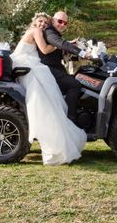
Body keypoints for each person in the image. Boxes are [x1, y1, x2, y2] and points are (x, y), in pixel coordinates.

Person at [10, 13, 87, 165]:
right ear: (34, 22)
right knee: (47, 89)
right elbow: (45, 50)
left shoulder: (37, 32)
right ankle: (68, 120)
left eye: (45, 23)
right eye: (40, 21)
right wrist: (62, 44)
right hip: (26, 63)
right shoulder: (37, 31)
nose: (42, 25)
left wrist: (65, 44)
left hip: (25, 61)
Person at [38, 11, 89, 123]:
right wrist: (83, 54)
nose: (62, 25)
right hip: (48, 69)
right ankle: (71, 119)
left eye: (65, 23)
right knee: (74, 85)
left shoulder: (53, 32)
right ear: (52, 20)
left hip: (55, 67)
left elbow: (62, 48)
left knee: (76, 77)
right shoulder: (50, 32)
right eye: (60, 21)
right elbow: (61, 44)